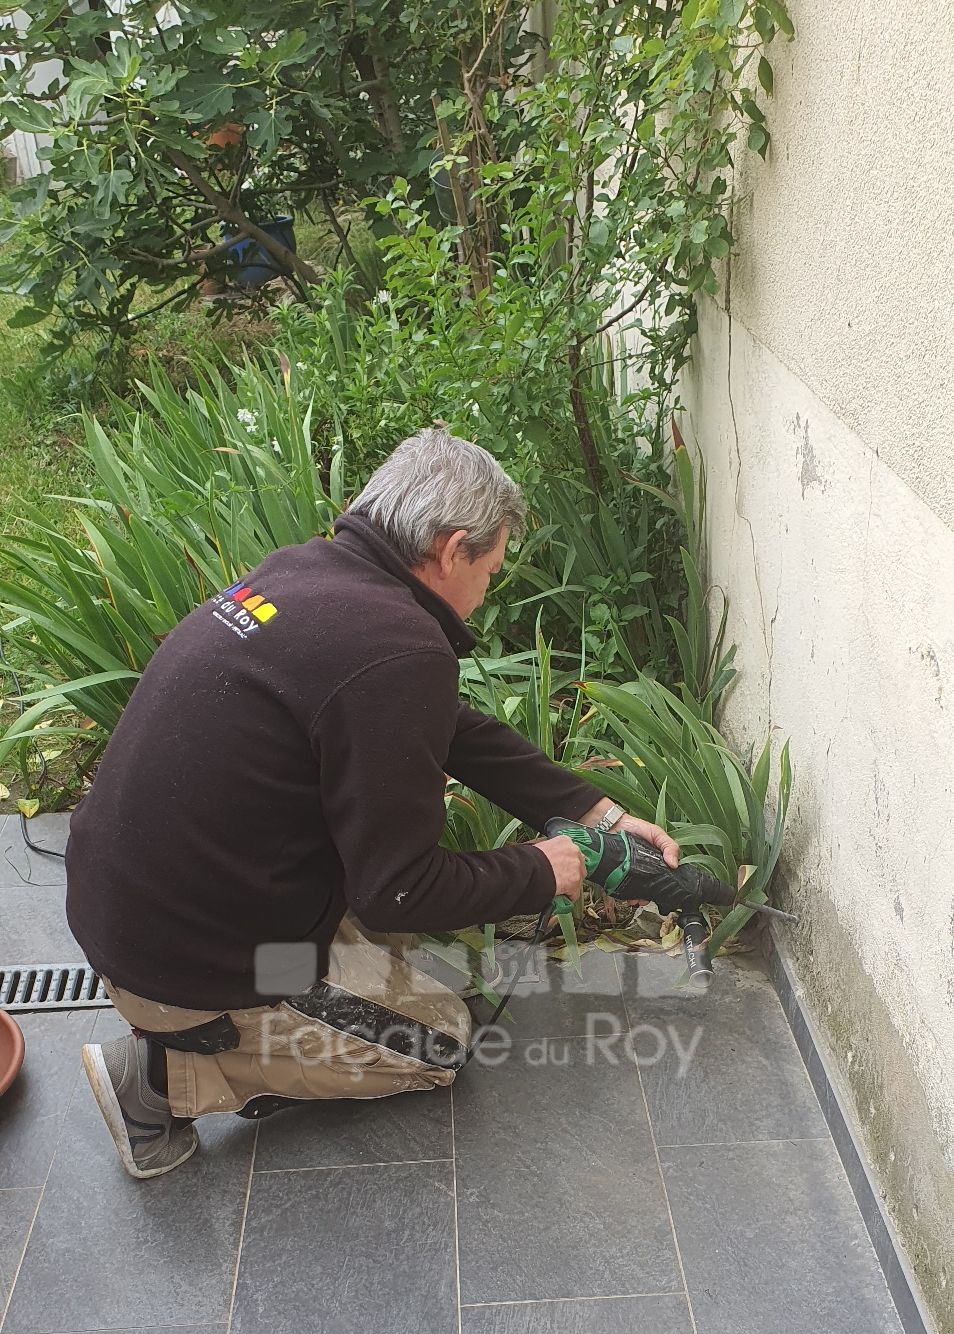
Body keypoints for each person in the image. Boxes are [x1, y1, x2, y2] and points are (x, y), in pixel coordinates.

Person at [66, 429, 678, 1178]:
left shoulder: (309, 575)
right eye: (491, 569)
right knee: (439, 1043)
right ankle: (160, 1080)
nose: (487, 592)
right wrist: (546, 867)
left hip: (139, 909)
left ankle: (217, 1021)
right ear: (452, 549)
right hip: (195, 968)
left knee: (415, 963)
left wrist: (593, 812)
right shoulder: (396, 648)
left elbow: (440, 727)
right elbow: (399, 890)